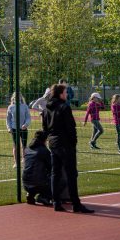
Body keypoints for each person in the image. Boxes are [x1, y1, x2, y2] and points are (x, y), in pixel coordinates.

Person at [43, 83, 93, 213]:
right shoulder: (64, 107)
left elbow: (45, 127)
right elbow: (71, 128)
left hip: (53, 143)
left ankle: (56, 202)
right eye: (65, 92)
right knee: (71, 174)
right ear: (60, 94)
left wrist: (50, 139)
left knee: (55, 173)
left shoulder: (46, 108)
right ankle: (76, 204)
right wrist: (73, 143)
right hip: (65, 144)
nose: (67, 94)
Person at [22, 130, 53, 206]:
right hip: (38, 183)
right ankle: (44, 197)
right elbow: (51, 167)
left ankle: (30, 194)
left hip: (25, 182)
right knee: (59, 179)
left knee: (35, 173)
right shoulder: (44, 151)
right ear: (44, 140)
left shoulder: (27, 149)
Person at [6, 94, 30, 165]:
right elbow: (8, 119)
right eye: (16, 96)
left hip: (24, 129)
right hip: (14, 129)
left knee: (24, 146)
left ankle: (24, 160)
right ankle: (16, 162)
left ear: (20, 97)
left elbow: (28, 117)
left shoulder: (25, 106)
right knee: (16, 146)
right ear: (13, 97)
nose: (17, 97)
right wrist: (9, 128)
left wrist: (26, 124)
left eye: (18, 96)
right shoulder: (10, 107)